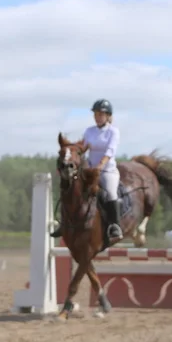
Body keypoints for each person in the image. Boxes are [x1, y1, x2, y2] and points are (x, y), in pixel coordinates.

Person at [51, 98, 123, 241]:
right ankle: (64, 224)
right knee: (70, 189)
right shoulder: (89, 131)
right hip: (89, 169)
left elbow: (110, 152)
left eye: (101, 114)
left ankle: (115, 226)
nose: (97, 117)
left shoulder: (113, 132)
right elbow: (82, 149)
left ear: (108, 116)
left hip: (107, 170)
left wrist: (100, 166)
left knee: (110, 192)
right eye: (96, 114)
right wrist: (70, 155)